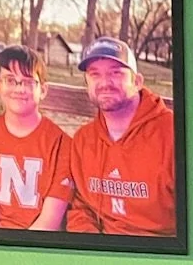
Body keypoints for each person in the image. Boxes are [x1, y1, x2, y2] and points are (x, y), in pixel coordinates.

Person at [64, 36, 176, 237]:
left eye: (116, 73)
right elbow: (81, 207)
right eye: (95, 74)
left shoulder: (172, 134)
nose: (105, 82)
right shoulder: (83, 140)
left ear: (137, 81)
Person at [0, 44, 70, 231]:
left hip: (38, 245)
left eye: (28, 82)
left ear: (44, 90)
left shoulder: (62, 144)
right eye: (10, 80)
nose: (19, 88)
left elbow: (51, 219)